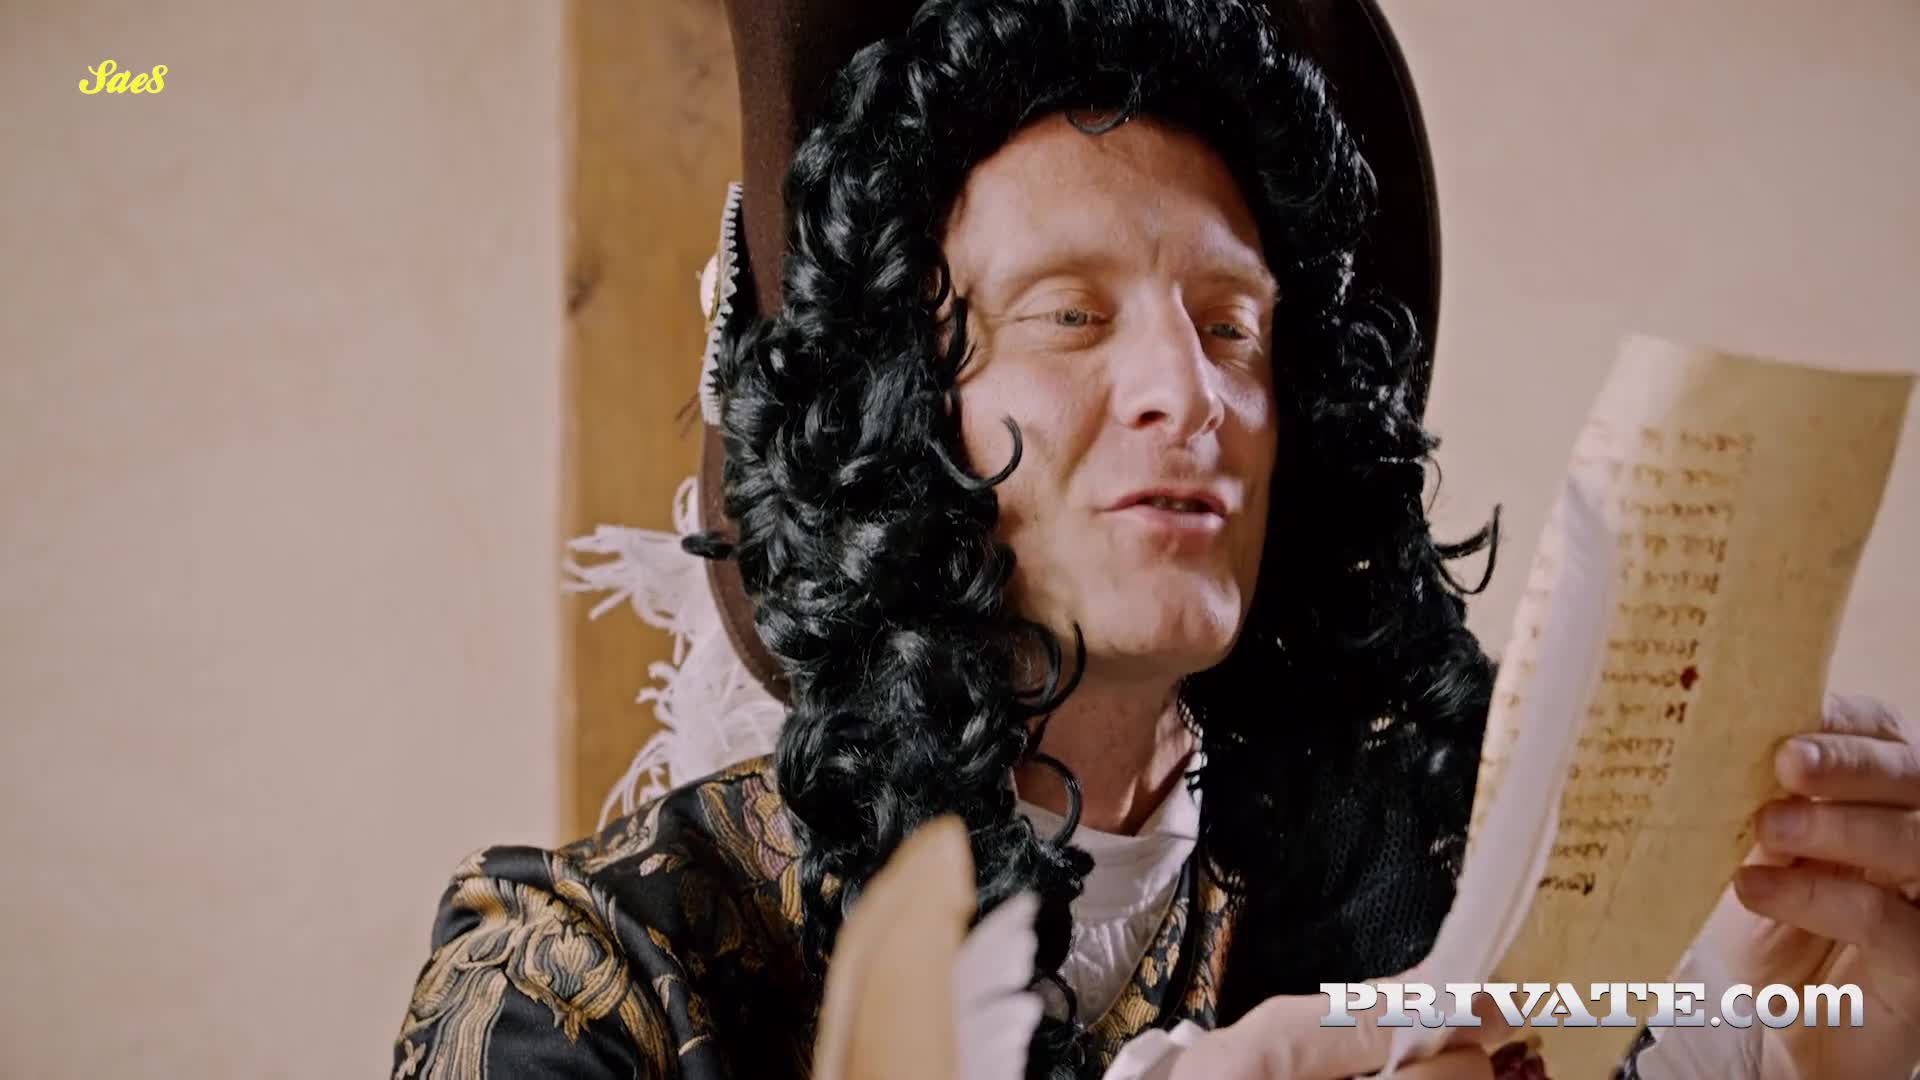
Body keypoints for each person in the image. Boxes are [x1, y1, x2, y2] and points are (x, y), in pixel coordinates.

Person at [393, 1, 1920, 1077]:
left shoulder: (1449, 909)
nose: (1190, 396)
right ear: (900, 409)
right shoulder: (598, 977)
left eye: (1232, 324)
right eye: (1070, 316)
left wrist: (1809, 1043)